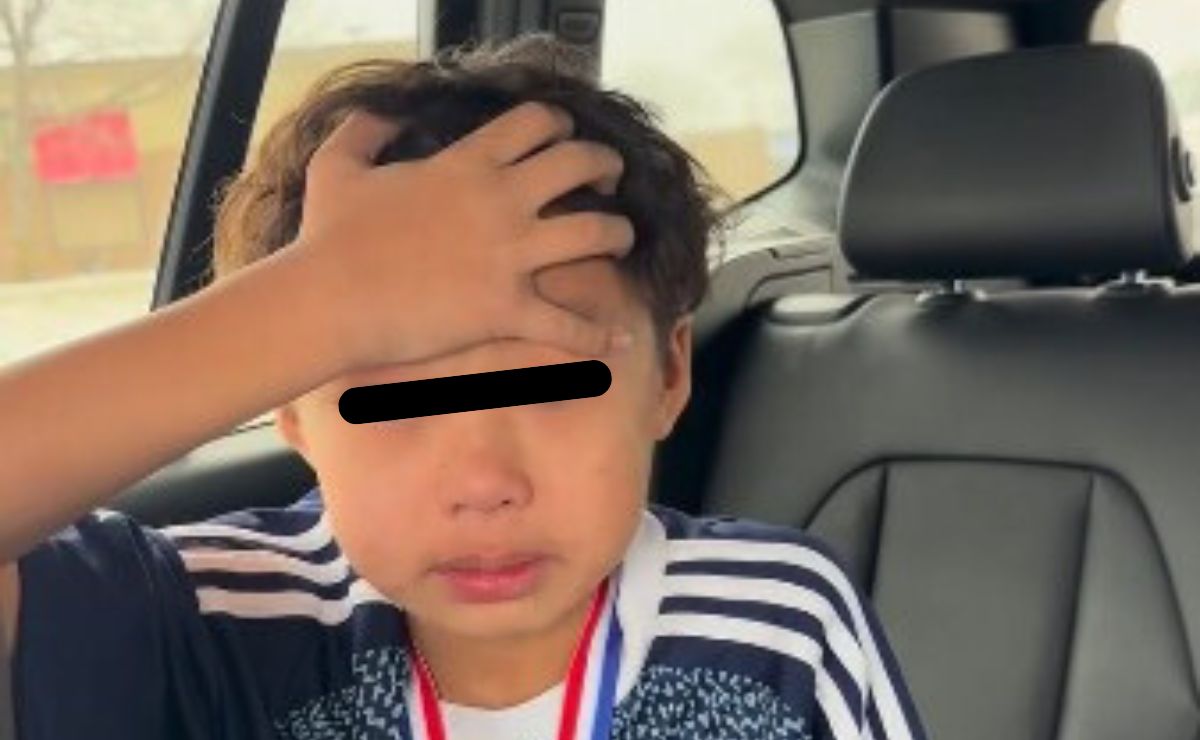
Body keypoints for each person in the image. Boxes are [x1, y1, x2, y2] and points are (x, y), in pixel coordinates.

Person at [0, 35, 927, 740]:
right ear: (289, 404)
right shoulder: (214, 616)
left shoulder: (777, 626)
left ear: (669, 374)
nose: (484, 482)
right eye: (393, 402)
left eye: (556, 388)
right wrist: (318, 300)